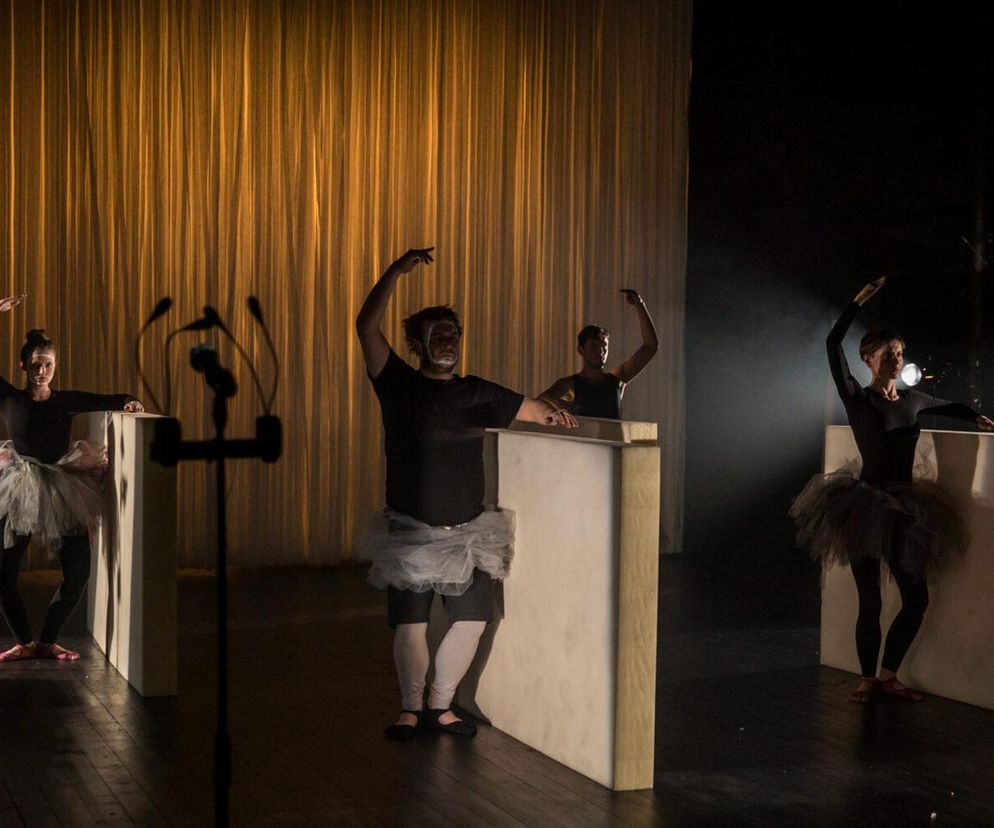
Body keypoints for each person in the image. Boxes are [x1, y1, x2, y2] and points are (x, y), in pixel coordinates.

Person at [356, 246, 577, 740]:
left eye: (453, 334)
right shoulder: (398, 385)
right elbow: (366, 327)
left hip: (467, 533)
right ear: (418, 343)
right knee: (411, 625)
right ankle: (410, 709)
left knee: (472, 620)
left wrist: (555, 412)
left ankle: (441, 706)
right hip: (409, 530)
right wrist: (394, 272)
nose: (448, 342)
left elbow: (532, 408)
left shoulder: (478, 392)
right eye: (437, 335)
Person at [791, 277, 994, 703]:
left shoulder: (913, 400)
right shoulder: (857, 398)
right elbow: (832, 344)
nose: (896, 359)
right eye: (888, 354)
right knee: (870, 600)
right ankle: (867, 678)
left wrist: (977, 417)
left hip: (907, 509)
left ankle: (889, 675)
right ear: (868, 358)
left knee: (916, 599)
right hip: (864, 505)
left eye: (900, 353)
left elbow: (949, 406)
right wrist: (857, 302)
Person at [0, 294, 144, 663]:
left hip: (60, 487)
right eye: (36, 364)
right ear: (23, 365)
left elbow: (107, 398)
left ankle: (48, 641)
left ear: (55, 366)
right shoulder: (10, 399)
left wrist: (128, 400)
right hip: (17, 485)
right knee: (3, 575)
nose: (42, 371)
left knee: (78, 572)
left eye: (48, 364)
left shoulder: (64, 401)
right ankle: (24, 642)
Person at [538, 289, 658, 419]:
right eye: (594, 346)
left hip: (612, 433)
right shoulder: (571, 384)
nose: (600, 351)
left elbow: (651, 346)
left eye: (604, 346)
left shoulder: (616, 379)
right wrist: (565, 406)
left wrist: (640, 304)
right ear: (581, 350)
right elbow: (542, 399)